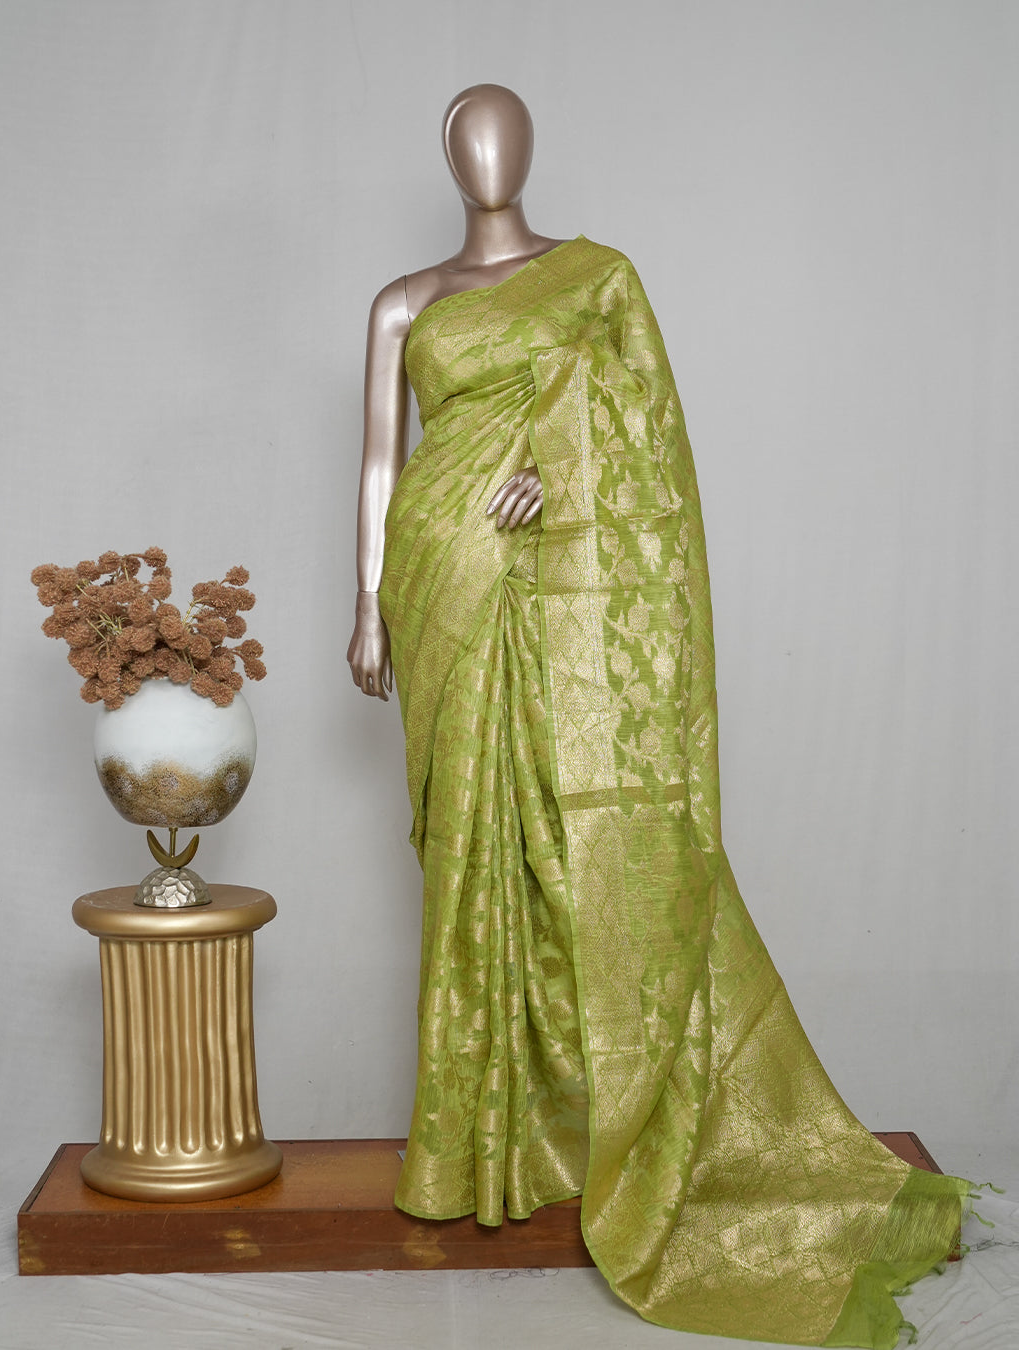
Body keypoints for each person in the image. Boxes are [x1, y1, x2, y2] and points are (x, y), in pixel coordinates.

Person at [346, 83, 968, 1348]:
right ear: (450, 159)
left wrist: (561, 466)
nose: (487, 156)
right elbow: (379, 459)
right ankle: (482, 1138)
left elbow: (649, 428)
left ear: (528, 151)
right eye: (468, 139)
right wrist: (365, 603)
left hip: (558, 580)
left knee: (580, 840)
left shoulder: (600, 278)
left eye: (504, 135)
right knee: (467, 846)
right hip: (440, 577)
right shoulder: (401, 301)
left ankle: (600, 1131)